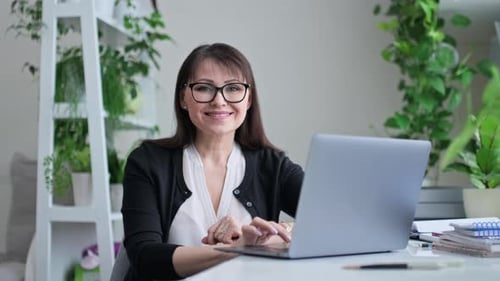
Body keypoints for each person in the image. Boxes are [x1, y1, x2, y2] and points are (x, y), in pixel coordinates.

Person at [121, 43, 304, 280]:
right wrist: (238, 249)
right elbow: (144, 256)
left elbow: (331, 220)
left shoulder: (273, 165)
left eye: (234, 88)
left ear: (248, 100)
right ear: (183, 99)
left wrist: (274, 234)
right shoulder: (147, 162)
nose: (219, 101)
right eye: (205, 88)